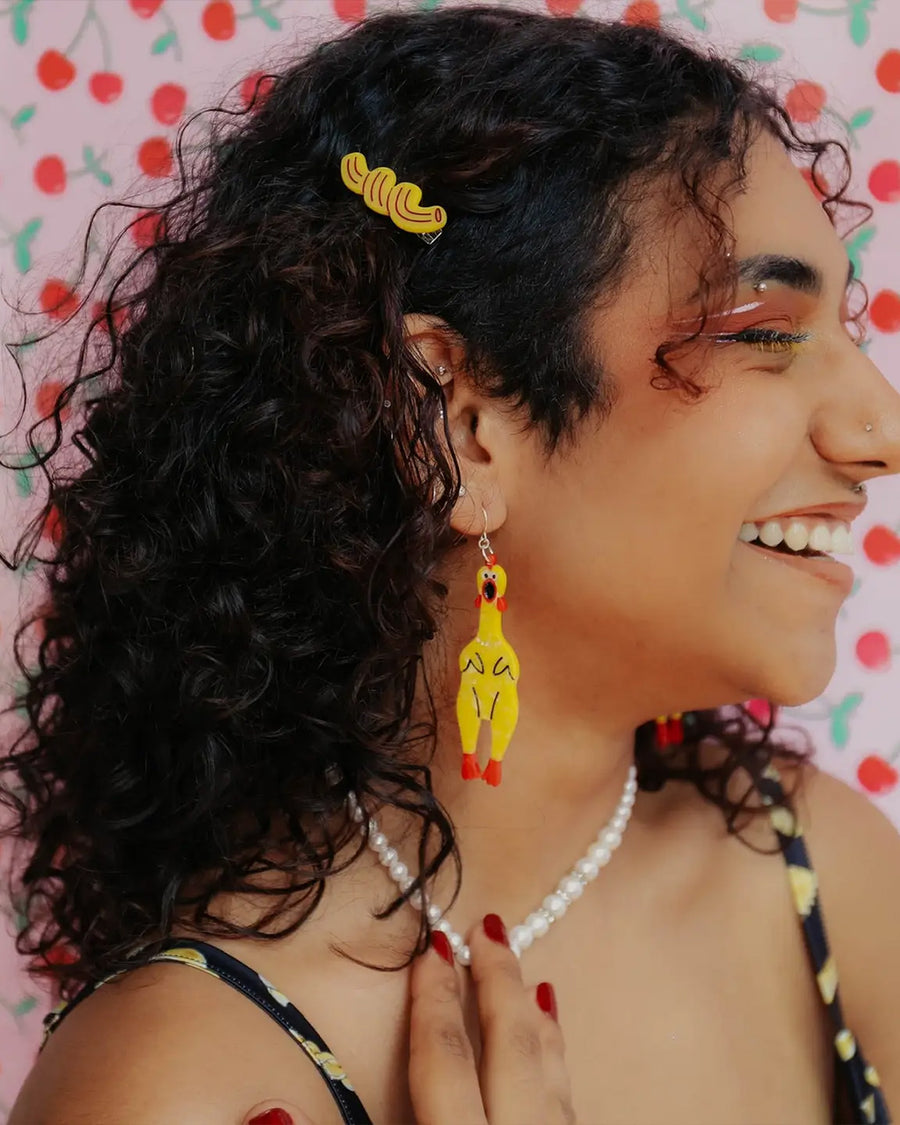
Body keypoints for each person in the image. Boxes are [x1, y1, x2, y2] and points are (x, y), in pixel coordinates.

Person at [1, 6, 898, 1123]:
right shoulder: (176, 1083)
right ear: (461, 427)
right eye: (765, 332)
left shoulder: (822, 869)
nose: (881, 430)